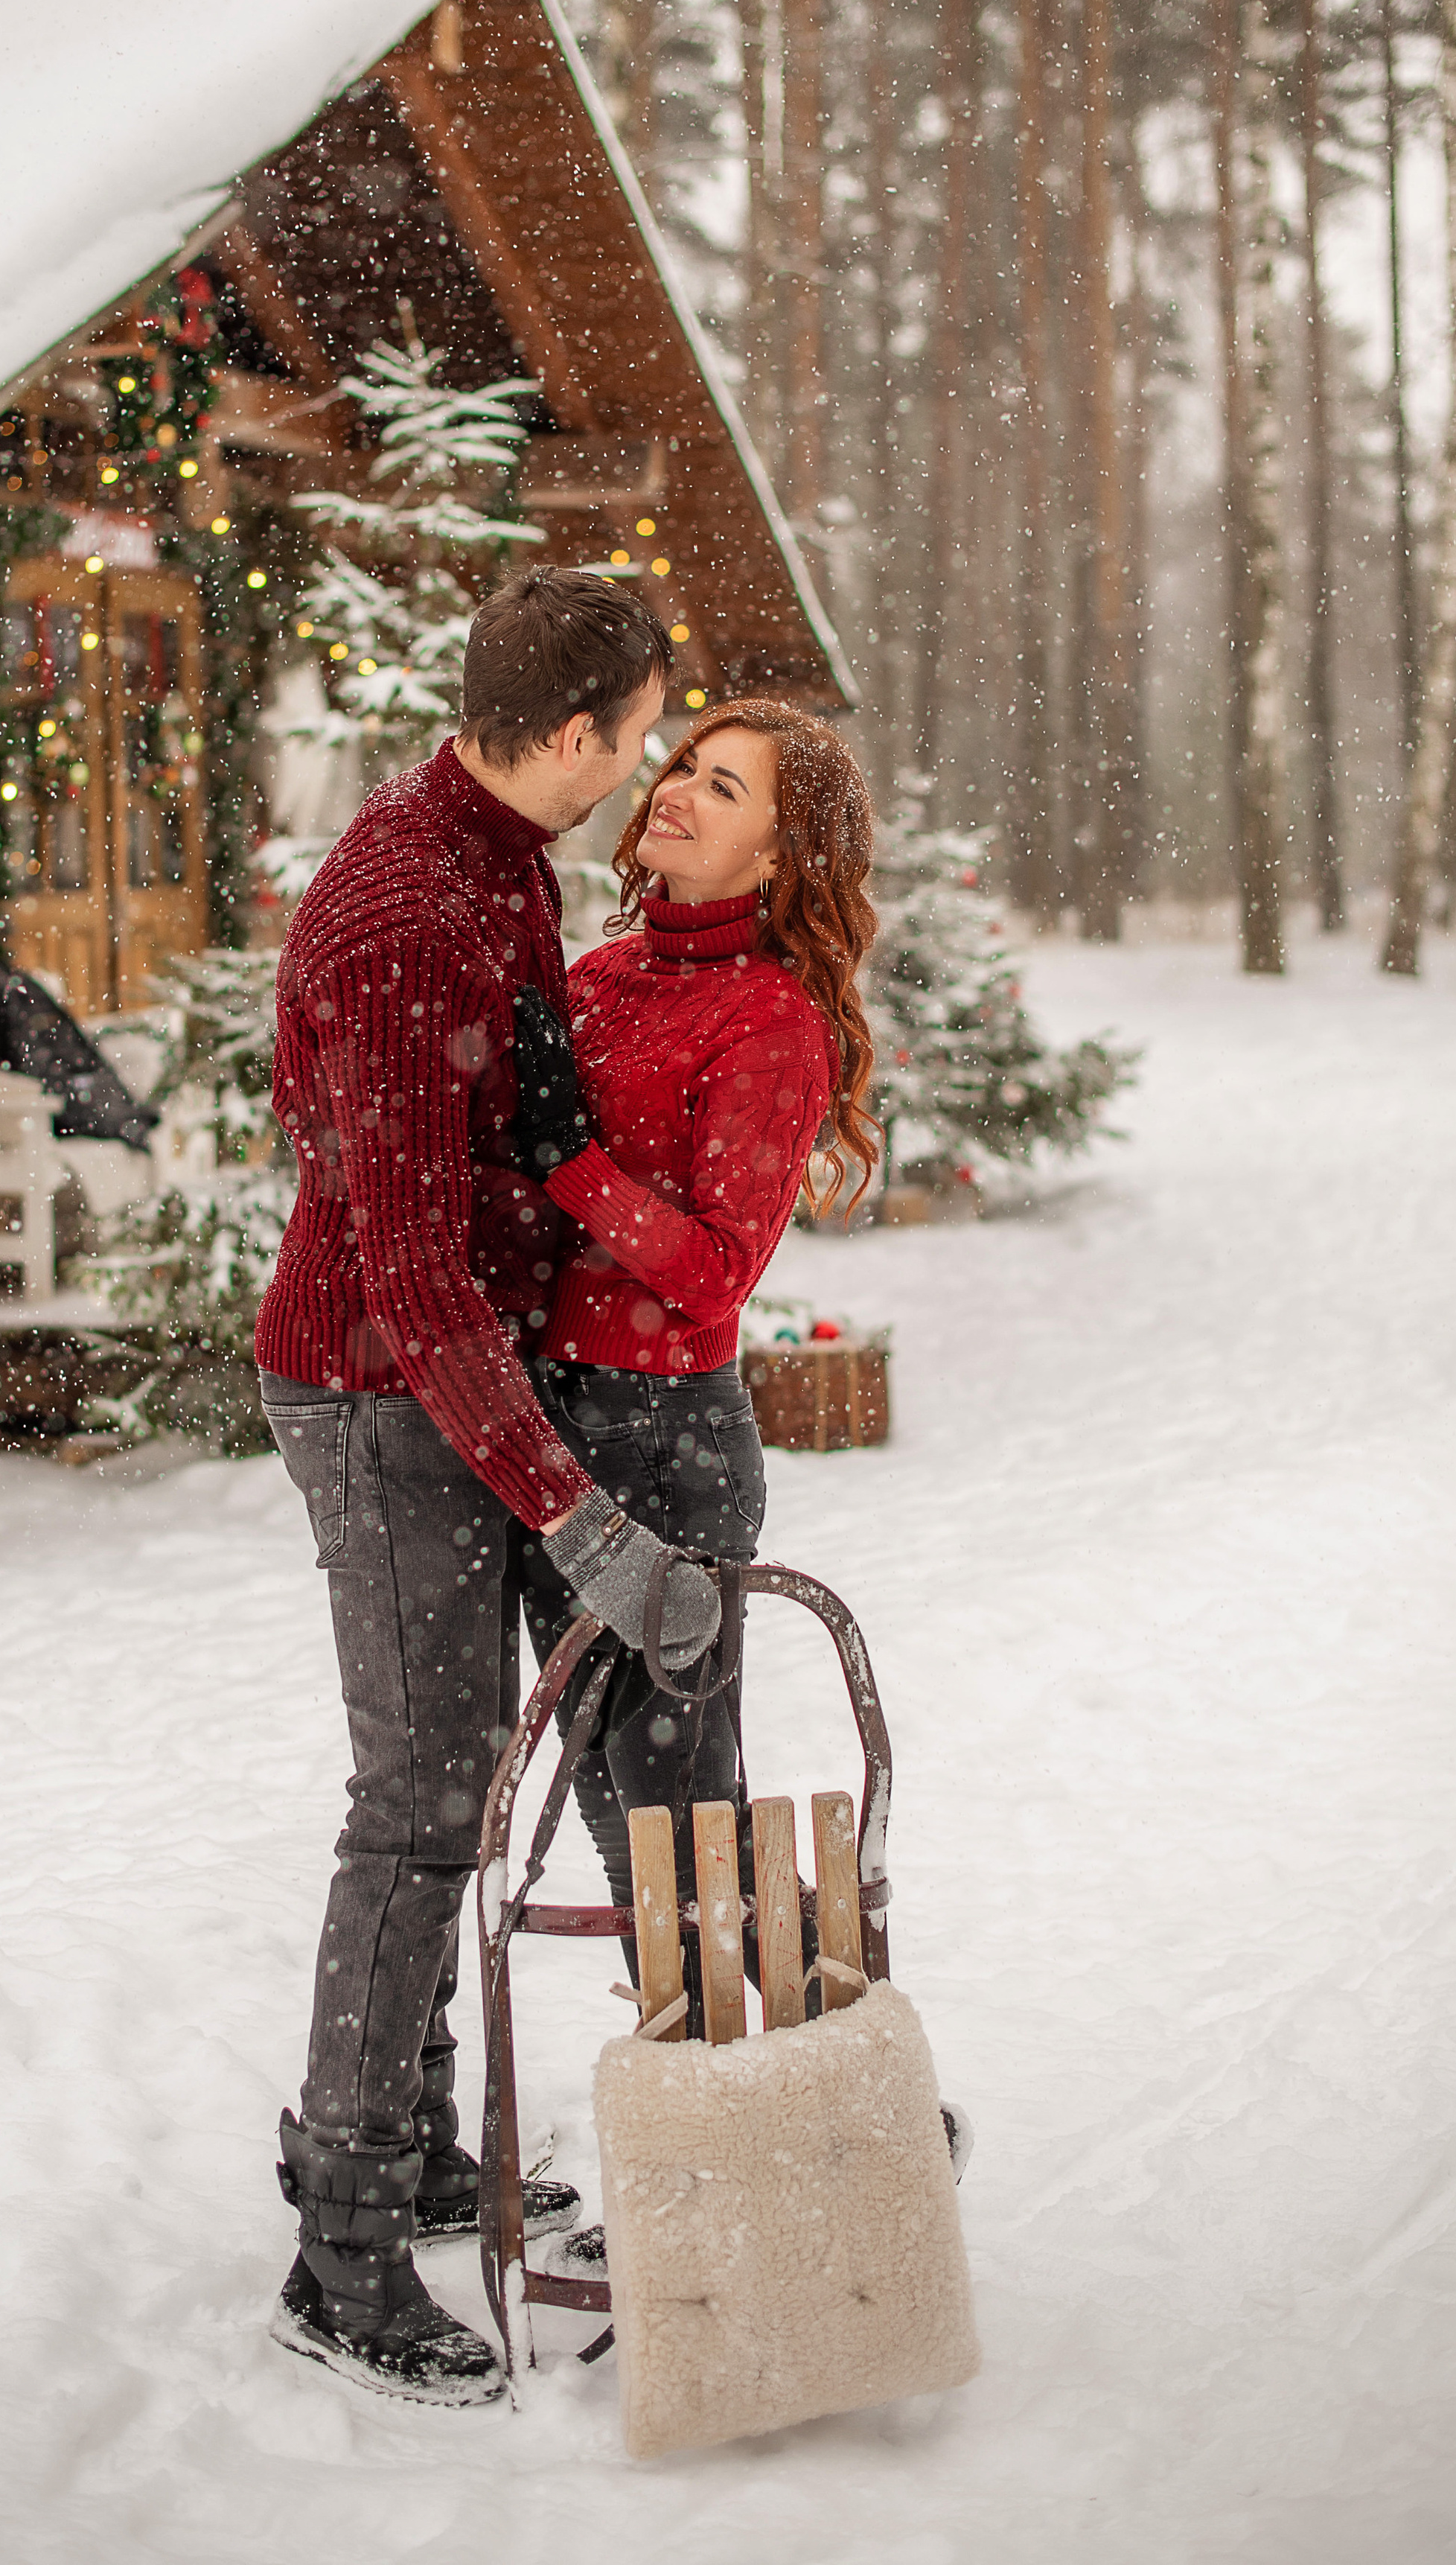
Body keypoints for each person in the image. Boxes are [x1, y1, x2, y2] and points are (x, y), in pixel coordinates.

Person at [254, 567, 724, 2403]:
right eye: (638, 738)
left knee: (453, 1782)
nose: (643, 771)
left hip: (448, 1379)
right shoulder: (401, 918)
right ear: (576, 735)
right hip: (379, 1396)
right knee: (416, 1804)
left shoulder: (492, 854)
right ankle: (345, 2246)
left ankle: (425, 2149)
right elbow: (407, 1273)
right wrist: (577, 1517)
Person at [508, 698, 879, 2025]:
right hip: (549, 1427)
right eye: (680, 765)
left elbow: (718, 1264)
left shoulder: (772, 1021)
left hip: (666, 1437)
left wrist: (574, 1168)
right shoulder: (599, 979)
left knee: (678, 1804)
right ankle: (720, 2095)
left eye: (723, 786)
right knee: (611, 1800)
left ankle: (772, 2101)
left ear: (779, 858)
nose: (675, 791)